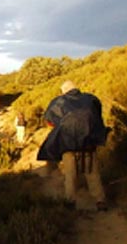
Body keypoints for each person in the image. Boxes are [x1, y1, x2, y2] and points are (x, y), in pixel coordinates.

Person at [37, 80, 109, 211]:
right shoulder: (90, 99)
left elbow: (49, 121)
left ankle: (70, 202)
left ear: (64, 91)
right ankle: (100, 201)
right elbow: (98, 117)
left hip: (68, 145)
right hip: (88, 144)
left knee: (70, 175)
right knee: (92, 173)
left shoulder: (58, 102)